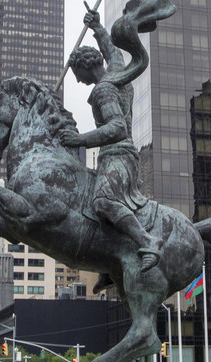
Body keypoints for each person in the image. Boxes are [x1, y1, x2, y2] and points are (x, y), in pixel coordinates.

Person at [60, 7, 161, 272]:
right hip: (121, 155)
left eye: (77, 76)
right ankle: (113, 257)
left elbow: (116, 127)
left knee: (103, 203)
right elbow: (113, 52)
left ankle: (147, 241)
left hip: (117, 154)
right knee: (91, 205)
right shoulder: (116, 73)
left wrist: (79, 140)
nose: (79, 83)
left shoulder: (104, 91)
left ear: (84, 67)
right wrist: (97, 28)